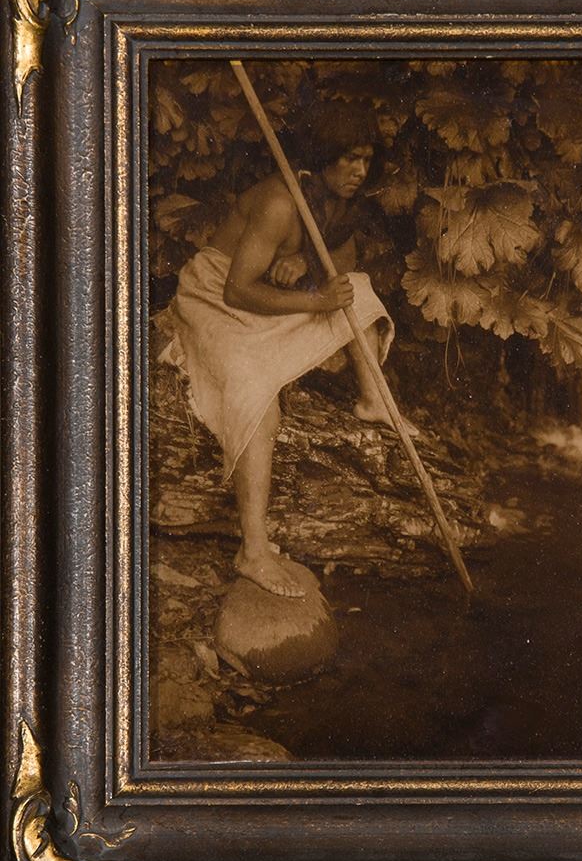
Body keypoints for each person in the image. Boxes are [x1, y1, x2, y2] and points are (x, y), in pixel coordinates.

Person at [160, 101, 410, 599]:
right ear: (323, 158)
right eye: (349, 159)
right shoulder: (280, 202)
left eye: (366, 159)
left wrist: (306, 264)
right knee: (256, 397)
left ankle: (372, 400)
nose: (359, 171)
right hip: (214, 300)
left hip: (266, 298)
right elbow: (236, 291)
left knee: (360, 294)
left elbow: (342, 261)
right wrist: (314, 299)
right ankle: (253, 550)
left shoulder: (339, 201)